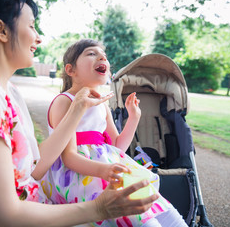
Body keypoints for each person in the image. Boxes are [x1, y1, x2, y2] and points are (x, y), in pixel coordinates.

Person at [0, 0, 159, 226]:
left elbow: (35, 171)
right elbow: (2, 218)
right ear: (1, 30)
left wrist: (77, 109)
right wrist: (99, 208)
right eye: (31, 26)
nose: (38, 38)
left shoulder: (3, 90)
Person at [40, 39, 188, 227]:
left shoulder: (102, 105)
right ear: (71, 70)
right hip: (80, 175)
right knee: (140, 218)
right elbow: (68, 157)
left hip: (108, 168)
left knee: (167, 215)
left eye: (104, 55)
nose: (102, 57)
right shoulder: (65, 101)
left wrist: (134, 118)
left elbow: (118, 147)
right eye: (91, 53)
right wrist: (105, 170)